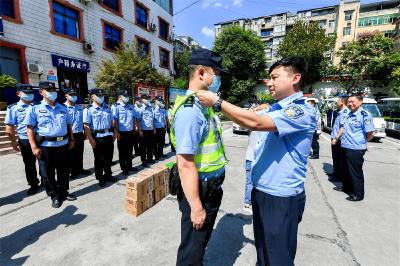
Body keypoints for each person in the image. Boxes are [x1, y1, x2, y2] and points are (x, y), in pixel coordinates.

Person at [197, 56, 315, 266]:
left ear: (295, 78)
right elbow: (254, 113)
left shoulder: (301, 111)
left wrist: (218, 102)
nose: (269, 83)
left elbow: (254, 122)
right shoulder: (276, 108)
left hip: (280, 198)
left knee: (278, 258)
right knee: (264, 253)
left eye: (274, 77)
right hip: (262, 192)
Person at [171, 48, 229, 265]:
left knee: (199, 245)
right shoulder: (191, 111)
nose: (219, 79)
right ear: (202, 73)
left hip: (211, 187)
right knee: (191, 251)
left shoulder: (204, 106)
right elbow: (185, 164)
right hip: (200, 191)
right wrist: (196, 207)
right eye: (217, 73)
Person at [24, 81, 77, 208]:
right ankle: (54, 195)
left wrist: (72, 139)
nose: (52, 92)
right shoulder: (35, 108)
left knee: (64, 171)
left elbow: (69, 125)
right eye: (49, 90)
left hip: (63, 144)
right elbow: (30, 128)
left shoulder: (63, 108)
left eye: (54, 90)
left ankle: (64, 192)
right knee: (48, 173)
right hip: (46, 147)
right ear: (41, 92)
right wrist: (33, 146)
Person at [333, 93, 375, 201]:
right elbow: (343, 128)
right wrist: (336, 138)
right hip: (345, 145)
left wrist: (363, 142)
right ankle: (347, 187)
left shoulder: (365, 115)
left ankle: (358, 194)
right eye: (349, 102)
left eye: (353, 101)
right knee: (345, 169)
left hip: (356, 148)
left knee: (355, 171)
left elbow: (370, 133)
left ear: (360, 102)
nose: (350, 104)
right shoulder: (348, 114)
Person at [5, 84, 41, 195]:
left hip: (40, 138)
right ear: (18, 94)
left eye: (31, 93)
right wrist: (13, 142)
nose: (29, 95)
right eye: (26, 93)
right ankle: (33, 184)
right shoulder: (13, 108)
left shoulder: (38, 105)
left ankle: (46, 181)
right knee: (29, 164)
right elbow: (9, 128)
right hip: (25, 140)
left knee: (44, 161)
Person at [83, 88, 117, 187]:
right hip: (97, 137)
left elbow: (112, 123)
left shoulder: (107, 108)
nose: (101, 97)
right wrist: (90, 138)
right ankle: (100, 177)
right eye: (99, 96)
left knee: (108, 157)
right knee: (99, 159)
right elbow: (86, 126)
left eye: (102, 96)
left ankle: (108, 174)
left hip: (108, 136)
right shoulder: (88, 109)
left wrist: (115, 132)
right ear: (92, 96)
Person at [243, 101, 270, 214]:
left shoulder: (254, 120)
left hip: (251, 157)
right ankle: (250, 203)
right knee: (257, 182)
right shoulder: (265, 121)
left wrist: (256, 109)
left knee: (250, 181)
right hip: (257, 157)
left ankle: (248, 203)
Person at [64, 88, 91, 179]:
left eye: (74, 95)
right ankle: (72, 171)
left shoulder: (80, 108)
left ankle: (80, 168)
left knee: (80, 152)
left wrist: (86, 133)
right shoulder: (63, 108)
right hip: (69, 134)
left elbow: (84, 121)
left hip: (79, 133)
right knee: (70, 154)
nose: (73, 97)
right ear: (66, 96)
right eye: (71, 95)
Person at [112, 90, 139, 175]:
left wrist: (135, 126)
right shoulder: (116, 107)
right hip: (121, 133)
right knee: (122, 151)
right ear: (120, 97)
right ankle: (124, 168)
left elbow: (135, 117)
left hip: (130, 132)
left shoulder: (131, 107)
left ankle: (129, 166)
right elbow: (115, 120)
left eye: (127, 96)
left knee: (130, 150)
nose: (126, 97)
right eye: (124, 96)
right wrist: (117, 132)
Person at [329, 95, 349, 183]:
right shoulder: (341, 112)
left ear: (342, 102)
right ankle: (335, 173)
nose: (337, 102)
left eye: (338, 101)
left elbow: (342, 128)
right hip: (336, 138)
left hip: (339, 140)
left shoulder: (344, 112)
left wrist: (336, 138)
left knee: (338, 158)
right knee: (335, 157)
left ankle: (338, 176)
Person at [138, 94, 155, 167]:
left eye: (148, 98)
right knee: (143, 147)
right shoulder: (140, 109)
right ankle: (144, 161)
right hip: (143, 130)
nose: (148, 100)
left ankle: (150, 158)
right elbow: (138, 120)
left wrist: (154, 128)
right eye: (146, 98)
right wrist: (140, 130)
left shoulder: (150, 108)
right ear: (142, 99)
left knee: (150, 146)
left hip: (150, 130)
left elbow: (152, 119)